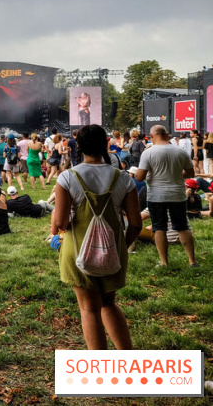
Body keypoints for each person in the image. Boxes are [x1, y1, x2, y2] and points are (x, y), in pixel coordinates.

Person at [53, 124, 142, 350]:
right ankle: (127, 359)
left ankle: (101, 372)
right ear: (106, 144)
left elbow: (60, 223)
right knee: (109, 303)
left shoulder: (67, 178)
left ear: (78, 146)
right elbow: (136, 224)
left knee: (89, 308)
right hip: (113, 250)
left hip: (77, 249)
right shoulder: (123, 178)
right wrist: (121, 246)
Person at [135, 125, 199, 268]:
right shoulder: (180, 151)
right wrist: (176, 174)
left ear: (151, 136)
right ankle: (192, 260)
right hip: (177, 195)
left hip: (157, 196)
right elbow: (190, 174)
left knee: (159, 228)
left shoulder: (148, 153)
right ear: (167, 135)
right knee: (182, 226)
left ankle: (164, 262)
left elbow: (139, 177)